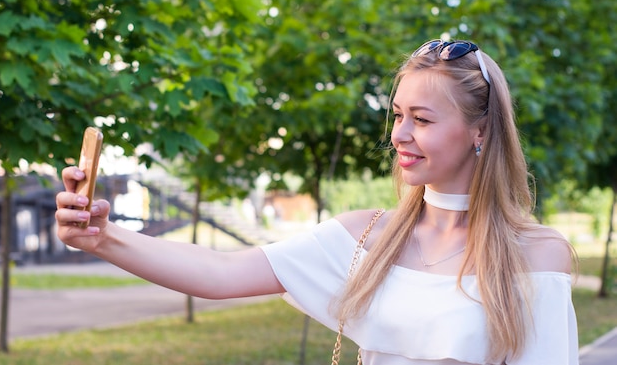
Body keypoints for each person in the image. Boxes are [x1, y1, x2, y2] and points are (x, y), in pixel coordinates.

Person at [55, 39, 578, 364]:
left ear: (479, 130)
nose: (399, 134)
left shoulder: (537, 256)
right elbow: (219, 273)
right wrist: (101, 236)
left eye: (421, 119)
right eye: (396, 115)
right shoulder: (364, 237)